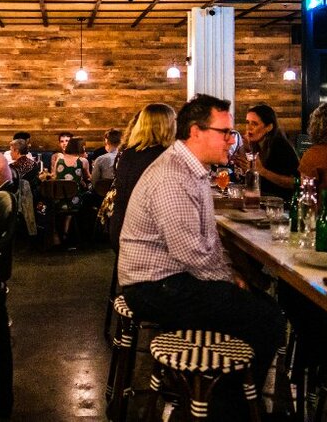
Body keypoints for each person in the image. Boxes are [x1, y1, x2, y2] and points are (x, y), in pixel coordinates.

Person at [118, 94, 285, 418]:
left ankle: (216, 401)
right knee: (268, 319)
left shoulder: (190, 169)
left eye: (232, 133)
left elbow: (205, 242)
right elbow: (191, 252)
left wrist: (229, 275)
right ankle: (228, 410)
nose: (231, 140)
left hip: (170, 279)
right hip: (153, 287)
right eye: (224, 132)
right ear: (195, 132)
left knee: (261, 308)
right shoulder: (174, 175)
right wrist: (229, 278)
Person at [110, 104, 175, 250]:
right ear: (166, 125)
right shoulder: (164, 156)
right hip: (146, 235)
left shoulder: (127, 154)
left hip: (121, 223)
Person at [233, 103, 298, 201]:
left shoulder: (279, 146)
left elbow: (294, 183)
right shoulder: (256, 145)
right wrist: (245, 152)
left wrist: (262, 171)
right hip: (262, 200)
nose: (249, 127)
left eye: (254, 124)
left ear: (269, 127)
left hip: (281, 204)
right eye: (247, 122)